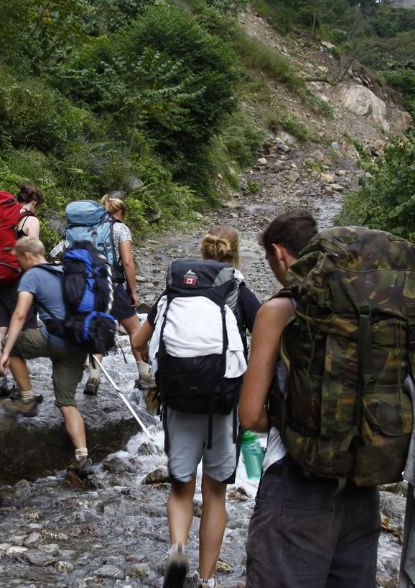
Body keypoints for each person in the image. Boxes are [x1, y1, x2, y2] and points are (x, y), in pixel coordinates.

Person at [238, 210, 382, 587]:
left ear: (278, 252)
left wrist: (302, 420)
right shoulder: (367, 306)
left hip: (297, 484)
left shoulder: (278, 310)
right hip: (362, 484)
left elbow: (250, 415)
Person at [131, 226, 261, 588]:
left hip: (179, 403)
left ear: (200, 254)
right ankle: (206, 580)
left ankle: (177, 548)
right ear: (235, 256)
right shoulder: (237, 289)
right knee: (215, 493)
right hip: (223, 405)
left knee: (180, 487)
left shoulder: (176, 289)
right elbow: (266, 339)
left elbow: (138, 343)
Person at [0, 236, 94, 475]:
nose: (19, 266)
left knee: (6, 342)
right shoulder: (65, 271)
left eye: (19, 260)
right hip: (78, 344)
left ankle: (27, 397)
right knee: (66, 402)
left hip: (56, 339)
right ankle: (82, 456)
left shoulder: (32, 275)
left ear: (28, 255)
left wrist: (7, 351)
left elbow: (20, 316)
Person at [84, 195, 152, 396]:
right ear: (120, 212)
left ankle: (93, 378)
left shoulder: (91, 228)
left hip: (93, 286)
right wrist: (133, 291)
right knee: (134, 330)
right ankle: (145, 375)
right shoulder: (120, 228)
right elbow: (128, 262)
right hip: (115, 285)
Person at [0, 184, 44, 398]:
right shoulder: (30, 220)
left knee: (0, 330)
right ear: (35, 202)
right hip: (18, 281)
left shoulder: (0, 217)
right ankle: (23, 390)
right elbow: (33, 253)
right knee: (18, 332)